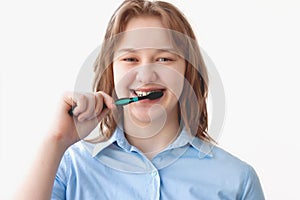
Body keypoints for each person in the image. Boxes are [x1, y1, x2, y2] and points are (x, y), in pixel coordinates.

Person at [14, 0, 265, 199]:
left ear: (187, 72)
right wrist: (57, 140)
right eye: (130, 59)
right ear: (110, 72)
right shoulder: (70, 168)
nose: (145, 74)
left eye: (164, 59)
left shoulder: (237, 180)